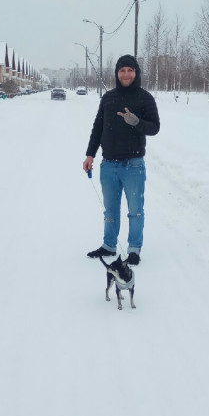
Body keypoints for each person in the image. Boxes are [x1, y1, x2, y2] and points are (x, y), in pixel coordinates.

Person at [83, 54, 160, 265]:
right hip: (108, 165)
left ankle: (134, 249)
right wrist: (90, 154)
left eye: (130, 70)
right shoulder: (108, 98)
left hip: (133, 166)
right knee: (110, 210)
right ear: (117, 73)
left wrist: (136, 122)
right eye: (122, 70)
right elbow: (97, 128)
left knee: (135, 211)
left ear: (136, 73)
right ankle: (109, 245)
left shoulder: (145, 98)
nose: (126, 74)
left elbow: (155, 127)